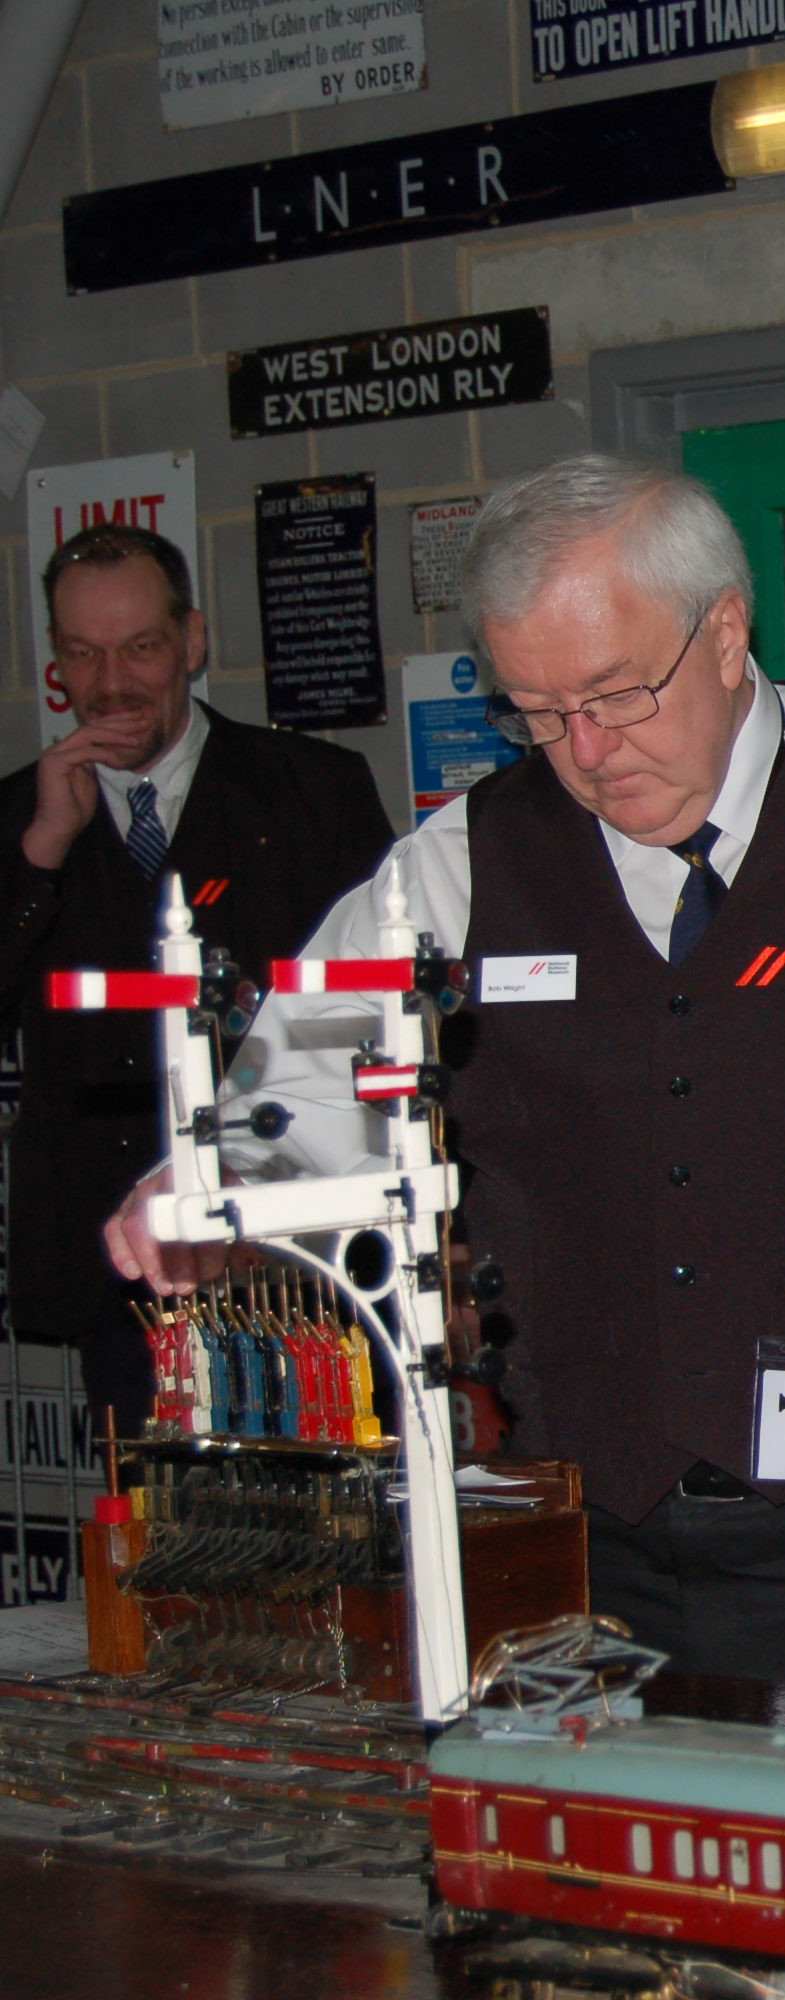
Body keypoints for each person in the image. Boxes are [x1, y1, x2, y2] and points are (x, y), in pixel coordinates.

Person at [106, 456, 785, 1702]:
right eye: (535, 709)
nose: (585, 750)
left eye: (617, 692)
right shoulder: (463, 862)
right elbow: (302, 1087)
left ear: (728, 631)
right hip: (590, 1538)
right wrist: (208, 1179)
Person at [0, 522, 393, 1432]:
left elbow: (372, 1007)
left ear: (193, 640)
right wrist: (41, 856)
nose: (112, 684)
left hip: (295, 1252)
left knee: (325, 1529)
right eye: (82, 654)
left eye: (140, 647)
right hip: (121, 1270)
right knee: (159, 1544)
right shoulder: (22, 812)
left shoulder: (311, 788)